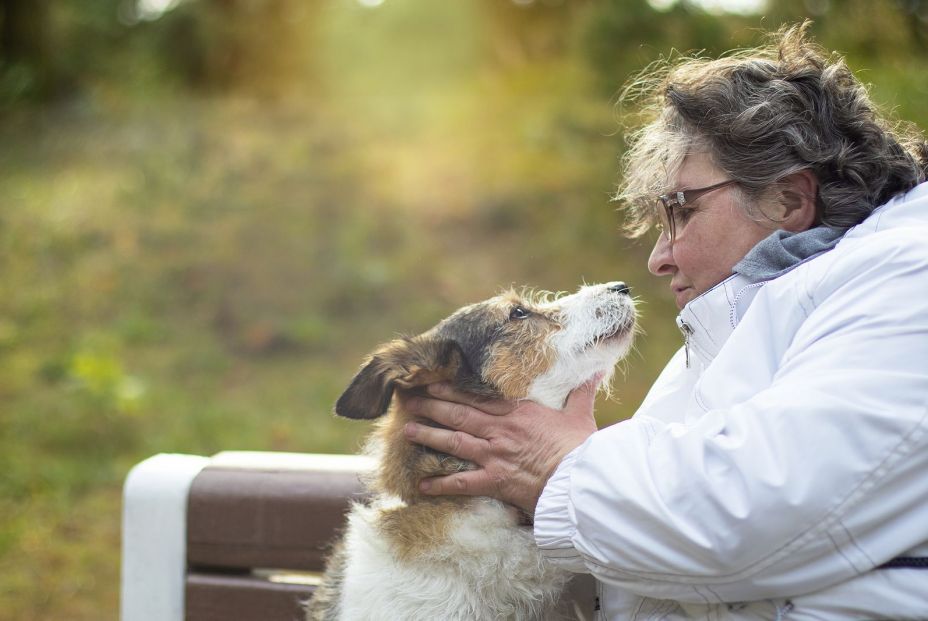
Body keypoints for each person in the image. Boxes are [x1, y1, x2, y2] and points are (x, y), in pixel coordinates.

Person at [400, 22, 928, 619]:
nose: (659, 257)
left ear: (791, 201)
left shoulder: (912, 278)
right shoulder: (740, 326)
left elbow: (746, 513)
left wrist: (557, 464)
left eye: (680, 211)